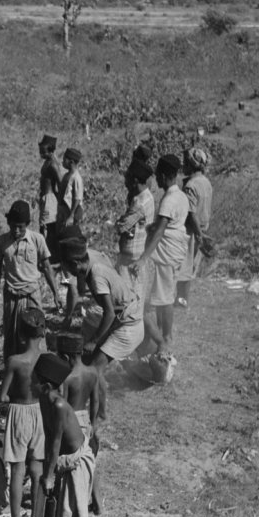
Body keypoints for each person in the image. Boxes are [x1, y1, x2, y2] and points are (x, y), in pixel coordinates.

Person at [35, 353, 97, 517]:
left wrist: (50, 475)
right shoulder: (43, 399)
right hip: (60, 460)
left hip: (76, 462)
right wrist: (47, 469)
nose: (31, 382)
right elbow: (48, 434)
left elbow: (56, 440)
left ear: (46, 385)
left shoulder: (59, 405)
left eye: (34, 379)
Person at [0, 200, 60, 362]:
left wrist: (56, 293)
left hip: (32, 294)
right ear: (8, 223)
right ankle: (13, 369)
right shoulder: (1, 242)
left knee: (36, 332)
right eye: (13, 226)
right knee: (11, 335)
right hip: (11, 296)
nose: (17, 230)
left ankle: (38, 367)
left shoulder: (37, 239)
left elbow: (47, 267)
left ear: (27, 224)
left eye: (20, 227)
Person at [0, 307, 47, 517]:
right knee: (37, 468)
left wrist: (9, 398)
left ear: (21, 334)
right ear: (43, 332)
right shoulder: (47, 359)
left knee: (18, 470)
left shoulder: (15, 361)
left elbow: (2, 396)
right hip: (40, 411)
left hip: (19, 412)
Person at [57, 237, 144, 371]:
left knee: (94, 370)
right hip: (122, 317)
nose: (66, 270)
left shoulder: (96, 277)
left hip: (128, 325)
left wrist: (93, 342)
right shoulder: (90, 256)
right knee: (87, 361)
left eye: (66, 267)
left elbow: (109, 314)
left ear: (75, 263)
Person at [137, 155, 190, 367]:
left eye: (159, 175)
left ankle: (166, 339)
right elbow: (171, 224)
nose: (156, 179)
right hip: (173, 253)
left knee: (165, 298)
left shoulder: (169, 200)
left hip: (167, 254)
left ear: (166, 175)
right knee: (162, 296)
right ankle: (160, 336)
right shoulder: (180, 196)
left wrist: (144, 258)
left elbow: (160, 232)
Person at [176, 146, 214, 307]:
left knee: (184, 266)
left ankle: (181, 299)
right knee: (191, 265)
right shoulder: (206, 182)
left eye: (185, 163)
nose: (183, 166)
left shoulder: (190, 185)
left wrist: (198, 234)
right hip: (203, 228)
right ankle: (183, 298)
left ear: (191, 165)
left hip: (192, 230)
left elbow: (191, 213)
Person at [56, 333, 105, 453]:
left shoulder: (67, 378)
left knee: (69, 454)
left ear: (65, 357)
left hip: (70, 420)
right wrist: (93, 422)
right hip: (85, 419)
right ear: (81, 352)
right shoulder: (93, 372)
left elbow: (63, 405)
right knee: (84, 450)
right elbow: (95, 401)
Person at [115, 158, 157, 289]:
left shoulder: (139, 202)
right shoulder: (148, 196)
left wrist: (115, 223)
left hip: (130, 258)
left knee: (126, 294)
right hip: (139, 252)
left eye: (127, 178)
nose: (125, 182)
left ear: (135, 180)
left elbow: (122, 227)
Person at [36, 135, 65, 240]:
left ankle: (50, 247)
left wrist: (61, 201)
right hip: (45, 198)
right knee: (44, 226)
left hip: (50, 199)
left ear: (51, 151)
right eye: (40, 152)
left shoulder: (53, 164)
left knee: (48, 226)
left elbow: (60, 183)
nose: (41, 154)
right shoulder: (47, 162)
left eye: (43, 152)